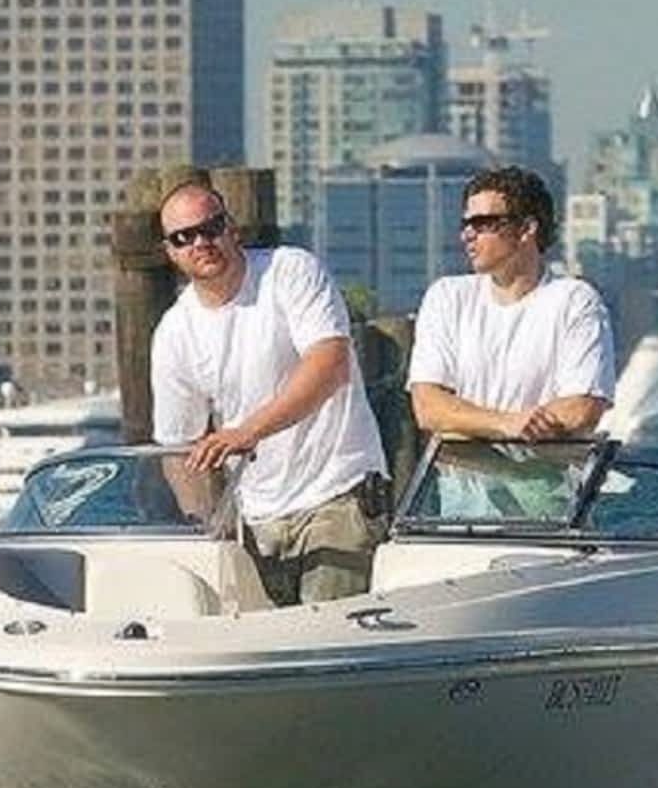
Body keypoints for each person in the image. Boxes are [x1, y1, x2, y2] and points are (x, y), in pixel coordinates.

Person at [149, 178, 389, 604]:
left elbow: (329, 364)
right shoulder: (174, 332)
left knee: (321, 643)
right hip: (256, 517)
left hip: (337, 492)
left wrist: (248, 432)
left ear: (232, 228)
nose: (201, 242)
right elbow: (179, 451)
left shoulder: (290, 270)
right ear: (170, 251)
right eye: (184, 237)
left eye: (211, 227)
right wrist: (208, 531)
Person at [408, 165, 616, 440]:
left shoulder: (575, 300)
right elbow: (428, 407)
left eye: (483, 224)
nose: (468, 235)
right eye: (466, 225)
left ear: (526, 229)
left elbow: (581, 409)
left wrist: (469, 422)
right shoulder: (446, 296)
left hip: (550, 479)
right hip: (458, 479)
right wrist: (507, 423)